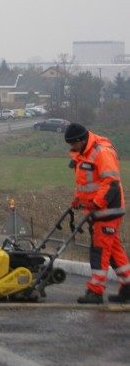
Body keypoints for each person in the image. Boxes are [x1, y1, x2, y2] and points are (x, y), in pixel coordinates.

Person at [64, 123, 130, 304]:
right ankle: (128, 286)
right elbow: (85, 183)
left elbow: (111, 182)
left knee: (99, 251)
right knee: (114, 250)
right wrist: (78, 199)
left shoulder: (102, 152)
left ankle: (96, 291)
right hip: (98, 210)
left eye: (72, 144)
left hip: (108, 210)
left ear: (81, 140)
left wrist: (96, 203)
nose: (71, 148)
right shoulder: (83, 154)